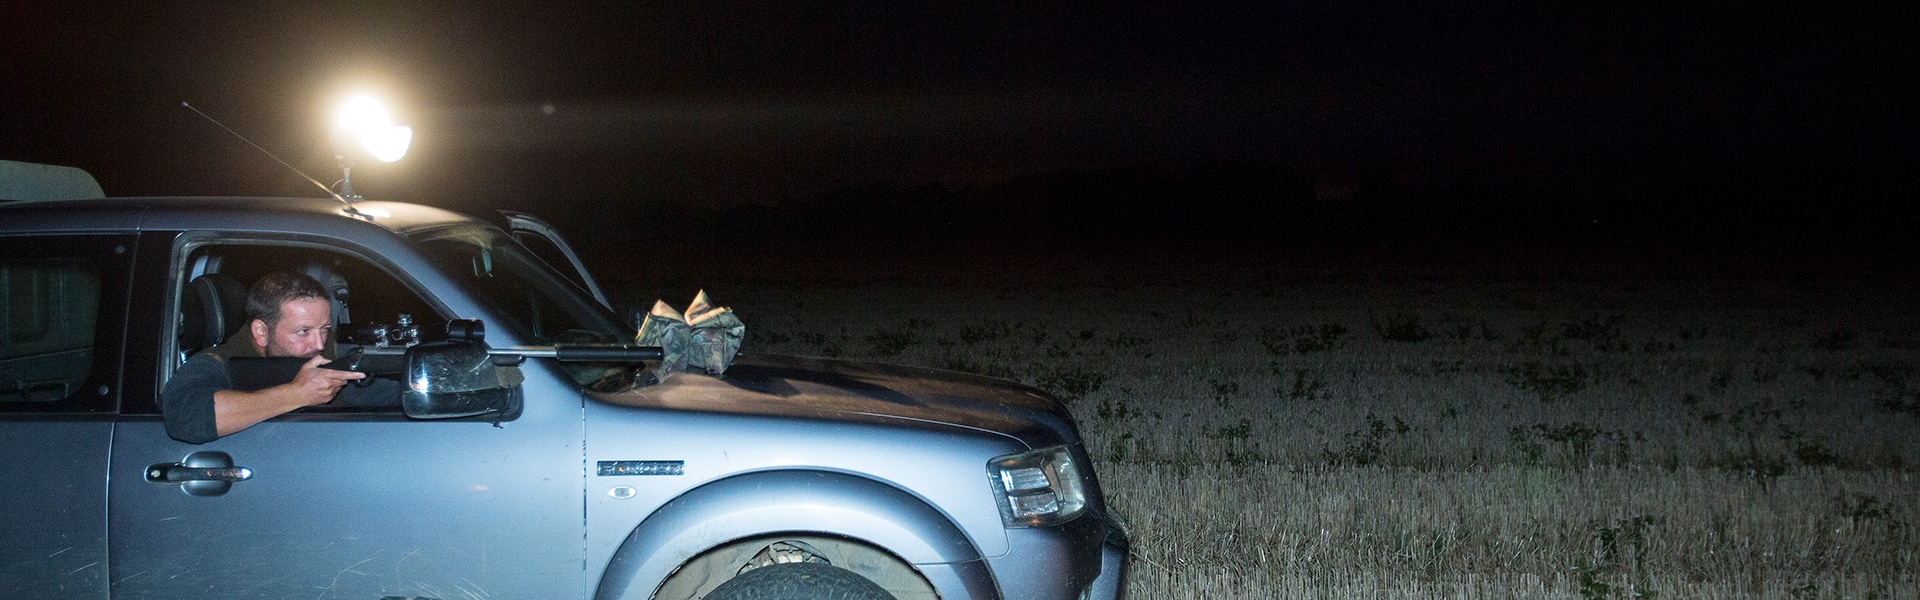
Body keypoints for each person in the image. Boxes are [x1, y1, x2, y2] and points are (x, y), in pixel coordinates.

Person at [162, 270, 399, 443]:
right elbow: (183, 416)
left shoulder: (328, 352)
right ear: (261, 332)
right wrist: (297, 393)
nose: (319, 344)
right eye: (303, 331)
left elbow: (383, 395)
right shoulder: (218, 362)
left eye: (325, 329)